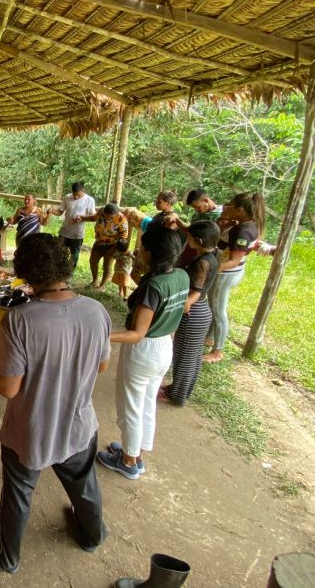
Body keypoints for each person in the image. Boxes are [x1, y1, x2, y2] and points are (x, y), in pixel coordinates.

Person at [0, 233, 111, 573]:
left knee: (18, 495)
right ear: (64, 265)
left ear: (25, 272)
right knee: (84, 484)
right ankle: (92, 533)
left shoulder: (20, 320)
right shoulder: (96, 311)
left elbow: (8, 387)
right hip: (78, 425)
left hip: (31, 432)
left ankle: (4, 556)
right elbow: (101, 365)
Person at [97, 228, 189, 480]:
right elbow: (161, 300)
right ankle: (136, 454)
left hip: (144, 350)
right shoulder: (180, 275)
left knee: (130, 407)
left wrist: (102, 335)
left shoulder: (154, 286)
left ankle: (127, 462)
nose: (139, 250)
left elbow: (137, 333)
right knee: (146, 403)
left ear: (152, 252)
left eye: (143, 247)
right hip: (164, 347)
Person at [162, 221, 220, 405]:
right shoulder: (212, 256)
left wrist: (178, 310)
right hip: (202, 311)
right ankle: (181, 390)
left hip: (193, 312)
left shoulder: (202, 262)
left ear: (199, 240)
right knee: (192, 356)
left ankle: (177, 396)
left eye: (190, 236)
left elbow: (194, 293)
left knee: (184, 357)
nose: (187, 239)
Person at [205, 192, 265, 363]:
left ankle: (218, 351)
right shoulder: (243, 225)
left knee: (218, 310)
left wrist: (211, 268)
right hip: (227, 273)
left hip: (225, 274)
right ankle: (209, 338)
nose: (225, 206)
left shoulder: (242, 231)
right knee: (213, 306)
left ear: (239, 209)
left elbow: (233, 260)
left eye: (230, 204)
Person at [50, 182, 97, 275]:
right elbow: (60, 212)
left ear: (83, 191)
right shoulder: (67, 197)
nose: (75, 197)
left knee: (74, 256)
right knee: (58, 252)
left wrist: (82, 218)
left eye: (78, 195)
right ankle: (58, 272)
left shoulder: (89, 200)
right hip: (64, 231)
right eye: (74, 195)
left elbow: (94, 218)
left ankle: (69, 274)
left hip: (77, 234)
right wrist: (52, 210)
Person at [80, 203, 129, 290]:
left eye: (110, 217)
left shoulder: (122, 219)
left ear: (116, 214)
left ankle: (102, 285)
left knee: (107, 265)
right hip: (99, 242)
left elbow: (123, 237)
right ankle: (94, 281)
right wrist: (81, 217)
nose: (108, 218)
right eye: (106, 216)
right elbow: (93, 218)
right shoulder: (101, 212)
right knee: (93, 261)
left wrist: (114, 249)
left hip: (113, 245)